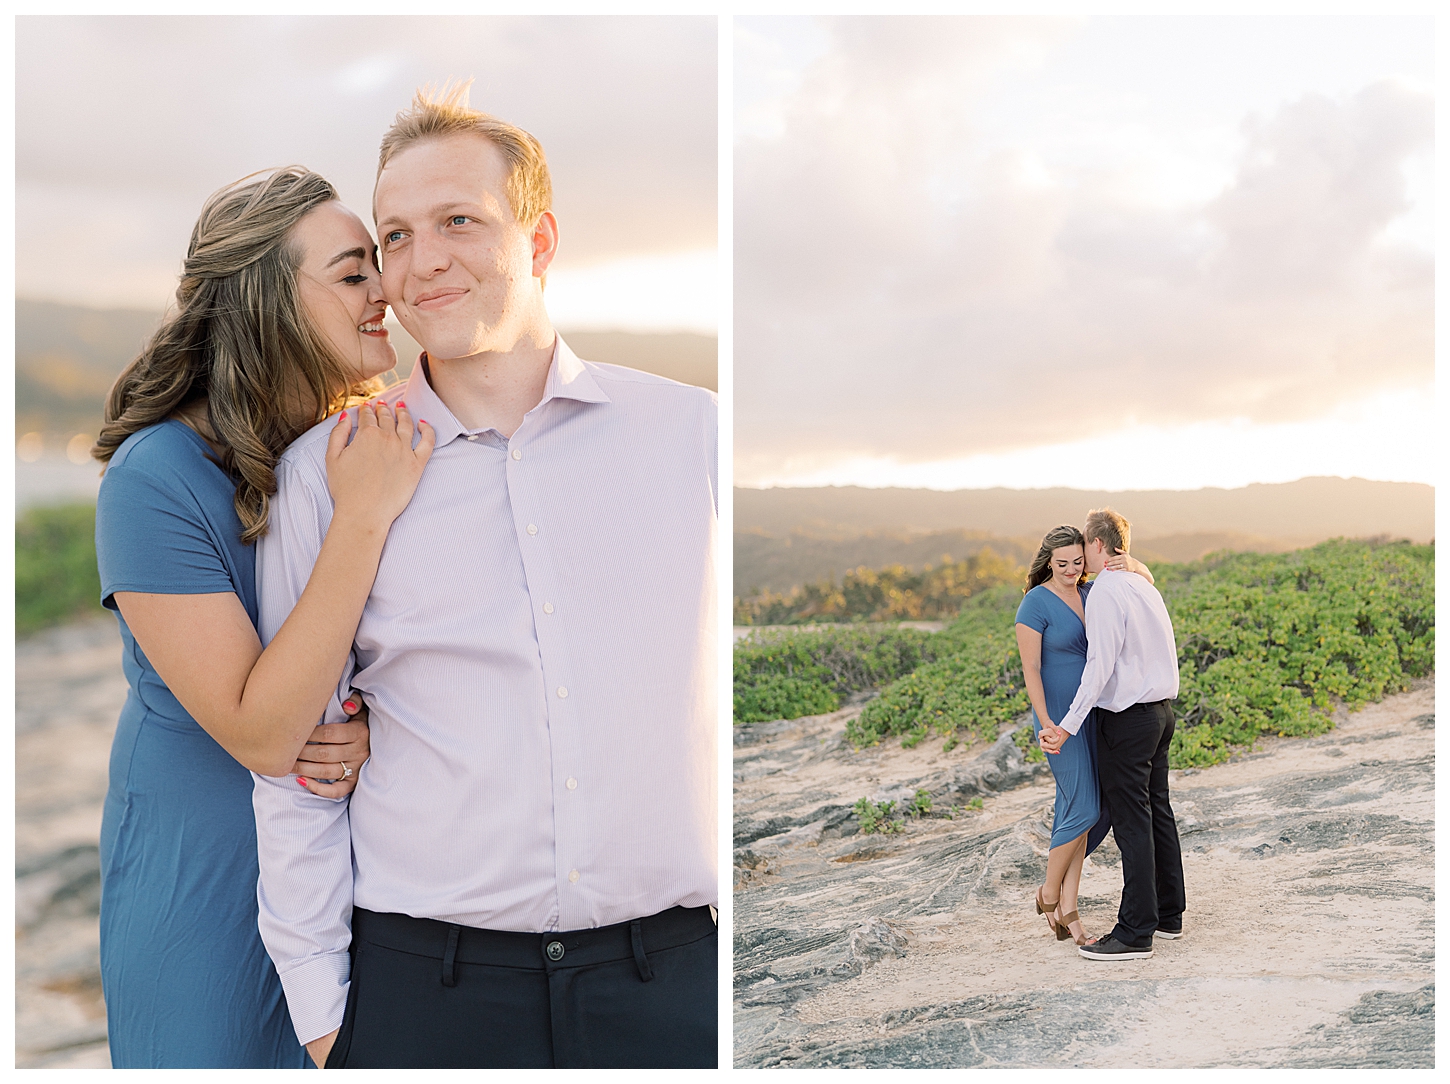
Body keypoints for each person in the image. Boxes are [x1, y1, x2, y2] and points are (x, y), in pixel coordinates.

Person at [251, 84, 718, 1069]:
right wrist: (325, 1017)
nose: (421, 264)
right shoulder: (322, 477)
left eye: (457, 221)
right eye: (395, 236)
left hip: (677, 981)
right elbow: (296, 771)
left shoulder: (697, 438)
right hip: (424, 990)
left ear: (539, 240)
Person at [92, 166, 434, 1068]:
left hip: (352, 886)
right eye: (355, 271)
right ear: (266, 303)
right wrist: (362, 519)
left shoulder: (361, 449)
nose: (385, 292)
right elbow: (263, 728)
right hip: (203, 890)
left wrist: (365, 730)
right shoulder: (153, 480)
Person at [1039, 508, 1185, 961]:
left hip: (1129, 719)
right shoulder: (1142, 585)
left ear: (1097, 545)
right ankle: (1168, 914)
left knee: (1132, 820)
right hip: (1162, 712)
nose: (1080, 553)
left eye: (1084, 544)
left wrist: (1067, 725)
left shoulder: (1105, 591)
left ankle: (1135, 932)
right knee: (1157, 810)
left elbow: (1100, 667)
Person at [1015, 525, 1153, 945]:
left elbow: (1145, 581)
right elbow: (1031, 669)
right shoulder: (1035, 602)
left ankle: (1069, 912)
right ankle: (1049, 893)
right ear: (1047, 562)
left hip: (1088, 714)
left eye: (1078, 562)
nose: (1072, 570)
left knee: (1084, 809)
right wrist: (1045, 721)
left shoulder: (1093, 592)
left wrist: (1130, 561)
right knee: (1085, 808)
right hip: (1057, 718)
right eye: (1062, 564)